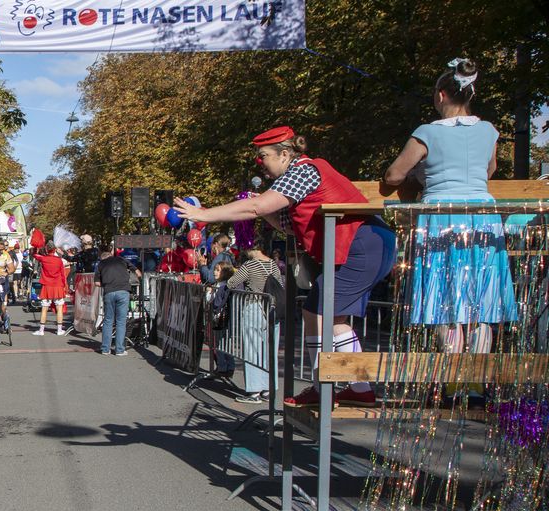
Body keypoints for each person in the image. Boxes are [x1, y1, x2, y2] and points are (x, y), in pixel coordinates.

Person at [173, 126, 396, 408]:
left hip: (361, 244)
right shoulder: (298, 176)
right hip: (368, 243)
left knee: (316, 313)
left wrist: (204, 213)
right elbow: (285, 225)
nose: (260, 163)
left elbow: (259, 207)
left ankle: (326, 387)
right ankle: (357, 388)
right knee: (331, 318)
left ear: (285, 154)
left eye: (264, 155)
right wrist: (257, 208)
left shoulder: (303, 171)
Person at [384, 58, 517, 369]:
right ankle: (476, 378)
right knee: (481, 301)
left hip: (441, 216)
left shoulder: (427, 133)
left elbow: (393, 175)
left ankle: (452, 375)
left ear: (441, 95)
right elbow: (490, 170)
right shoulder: (488, 130)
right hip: (483, 216)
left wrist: (419, 174)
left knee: (445, 298)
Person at [227, 243, 284, 403]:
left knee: (252, 349)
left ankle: (253, 391)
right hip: (272, 309)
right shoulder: (274, 265)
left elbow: (232, 282)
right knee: (270, 350)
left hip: (254, 307)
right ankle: (268, 389)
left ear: (253, 249)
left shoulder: (250, 265)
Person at [95, 249, 141, 356]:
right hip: (123, 291)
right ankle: (120, 350)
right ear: (111, 255)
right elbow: (137, 271)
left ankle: (105, 349)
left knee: (108, 321)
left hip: (109, 292)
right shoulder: (121, 259)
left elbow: (97, 283)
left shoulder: (101, 264)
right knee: (121, 321)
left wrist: (106, 284)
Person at [32, 242, 70, 336]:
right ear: (54, 250)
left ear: (46, 249)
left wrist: (36, 246)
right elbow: (63, 275)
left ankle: (41, 330)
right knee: (59, 308)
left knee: (44, 308)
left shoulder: (43, 259)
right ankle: (59, 330)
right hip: (57, 286)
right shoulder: (59, 260)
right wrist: (65, 286)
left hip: (46, 286)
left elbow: (35, 255)